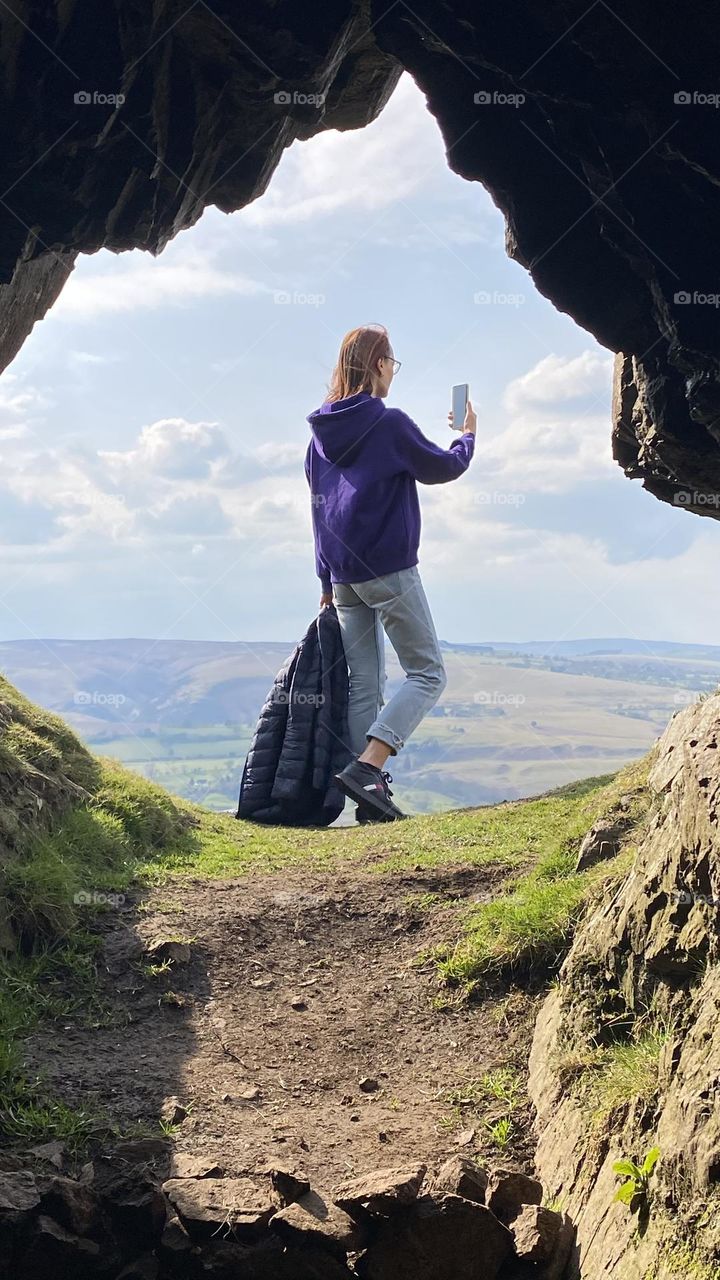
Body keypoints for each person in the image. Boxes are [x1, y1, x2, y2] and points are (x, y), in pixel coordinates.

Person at [304, 323, 476, 823]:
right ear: (379, 364)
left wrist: (324, 582)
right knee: (427, 673)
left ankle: (365, 797)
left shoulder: (318, 438)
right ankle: (369, 768)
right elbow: (443, 468)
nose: (393, 373)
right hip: (387, 569)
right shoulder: (389, 422)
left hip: (343, 576)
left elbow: (317, 513)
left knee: (364, 683)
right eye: (392, 363)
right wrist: (467, 437)